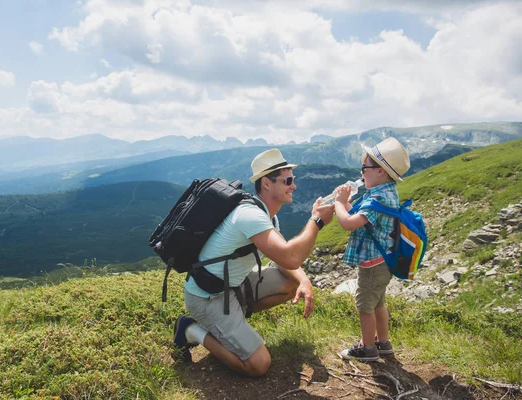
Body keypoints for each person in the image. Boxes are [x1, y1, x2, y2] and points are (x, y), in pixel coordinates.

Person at [173, 148, 335, 377]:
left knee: (291, 283)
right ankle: (190, 330)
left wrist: (304, 280)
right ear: (267, 184)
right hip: (207, 297)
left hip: (231, 285)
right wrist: (316, 221)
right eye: (287, 180)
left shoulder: (268, 215)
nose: (294, 186)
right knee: (259, 365)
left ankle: (233, 323)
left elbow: (282, 260)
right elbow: (290, 257)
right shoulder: (250, 216)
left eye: (293, 180)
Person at [333, 137, 410, 362]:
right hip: (383, 260)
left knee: (365, 304)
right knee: (378, 302)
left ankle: (367, 348)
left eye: (364, 168)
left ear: (381, 172)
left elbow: (348, 223)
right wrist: (346, 205)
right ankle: (383, 342)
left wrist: (338, 202)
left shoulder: (377, 197)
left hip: (373, 263)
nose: (361, 173)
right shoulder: (387, 194)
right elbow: (361, 218)